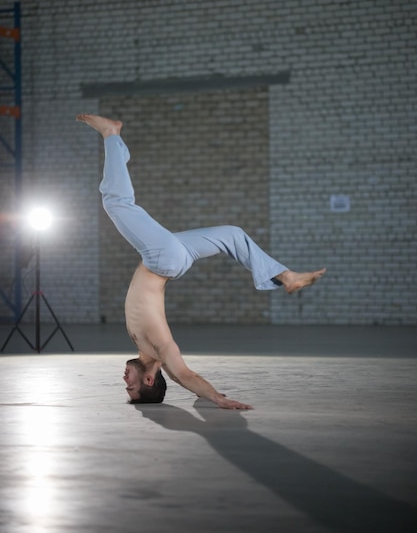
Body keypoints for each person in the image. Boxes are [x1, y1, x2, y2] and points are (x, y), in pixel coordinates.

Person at [77, 114, 326, 410]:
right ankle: (111, 134)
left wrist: (203, 396)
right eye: (130, 386)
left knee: (232, 235)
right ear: (147, 381)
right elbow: (185, 374)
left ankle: (286, 276)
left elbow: (185, 379)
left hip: (173, 260)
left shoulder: (144, 349)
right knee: (116, 202)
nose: (124, 380)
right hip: (163, 261)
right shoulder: (160, 347)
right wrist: (217, 398)